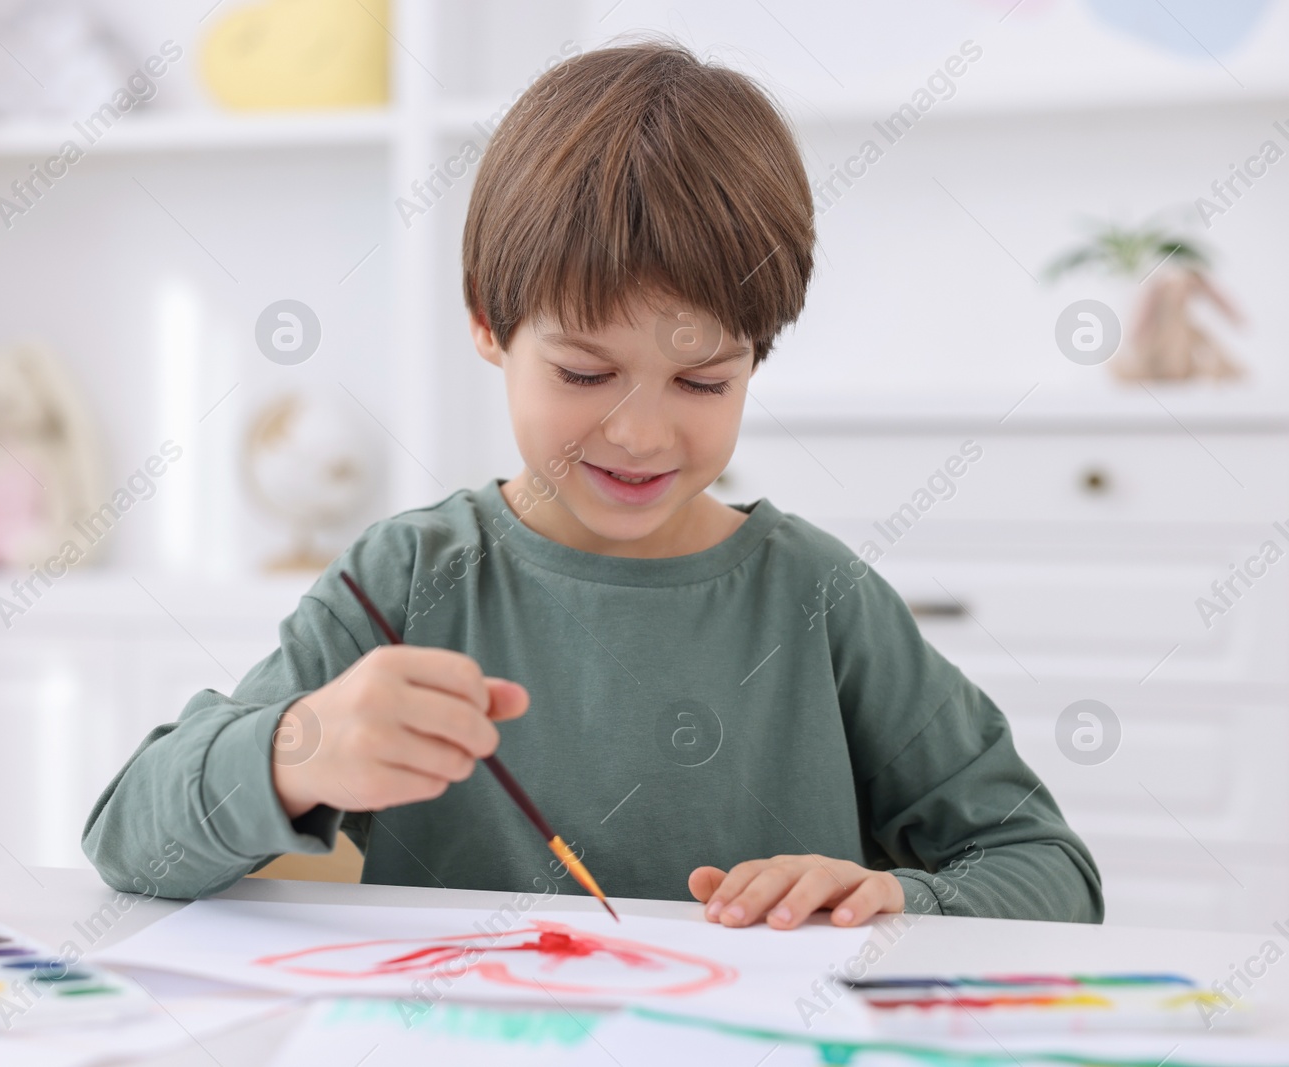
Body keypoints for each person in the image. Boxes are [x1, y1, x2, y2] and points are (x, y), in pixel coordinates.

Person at [84, 40, 1103, 929]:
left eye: (704, 379)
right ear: (488, 320)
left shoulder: (820, 598)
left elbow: (1050, 873)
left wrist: (899, 899)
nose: (640, 432)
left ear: (758, 355)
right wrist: (292, 750)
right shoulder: (407, 577)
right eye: (583, 372)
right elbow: (129, 837)